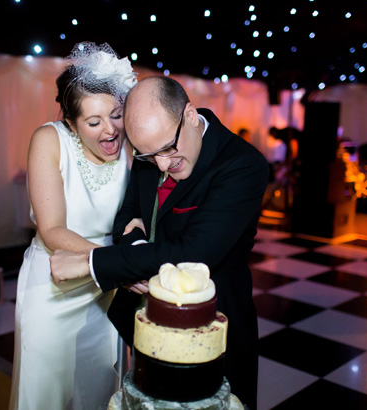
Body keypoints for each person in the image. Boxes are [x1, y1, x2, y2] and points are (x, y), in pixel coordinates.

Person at [50, 76, 269, 409]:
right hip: (147, 324)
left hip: (211, 327)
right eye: (150, 156)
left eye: (169, 149)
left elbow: (194, 253)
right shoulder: (151, 150)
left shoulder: (242, 165)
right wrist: (139, 250)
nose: (163, 164)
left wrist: (90, 262)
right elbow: (127, 216)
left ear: (191, 116)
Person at [8, 42, 136, 410]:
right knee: (45, 392)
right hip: (53, 286)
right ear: (71, 123)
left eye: (115, 115)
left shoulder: (130, 141)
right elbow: (52, 230)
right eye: (94, 122)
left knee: (98, 392)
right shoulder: (49, 140)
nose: (110, 130)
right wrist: (120, 264)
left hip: (104, 291)